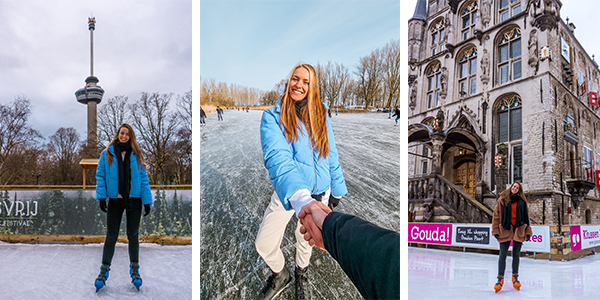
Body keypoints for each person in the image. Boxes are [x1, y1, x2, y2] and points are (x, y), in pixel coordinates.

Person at [255, 63, 347, 300]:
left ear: (312, 87)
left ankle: (300, 273)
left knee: (305, 243)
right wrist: (301, 198)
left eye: (306, 82)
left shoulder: (321, 114)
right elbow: (279, 159)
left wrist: (336, 188)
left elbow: (331, 153)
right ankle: (280, 273)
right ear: (289, 81)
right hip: (291, 193)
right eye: (296, 79)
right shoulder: (273, 116)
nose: (299, 85)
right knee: (264, 244)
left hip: (321, 193)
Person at [298, 201, 400, 300]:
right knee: (304, 235)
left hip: (319, 199)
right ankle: (299, 269)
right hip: (306, 204)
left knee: (307, 235)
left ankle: (301, 269)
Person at [94, 123, 153, 292]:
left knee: (133, 235)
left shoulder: (137, 154)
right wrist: (101, 197)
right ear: (118, 134)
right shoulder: (107, 153)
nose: (124, 136)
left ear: (131, 136)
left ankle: (135, 271)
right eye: (122, 133)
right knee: (111, 236)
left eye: (127, 134)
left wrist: (146, 200)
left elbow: (143, 178)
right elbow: (100, 176)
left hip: (134, 200)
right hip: (115, 200)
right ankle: (103, 271)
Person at [491, 181, 532, 293]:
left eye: (517, 188)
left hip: (518, 229)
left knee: (516, 255)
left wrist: (528, 231)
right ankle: (500, 279)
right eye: (514, 186)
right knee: (502, 255)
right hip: (505, 230)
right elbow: (496, 215)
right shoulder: (503, 199)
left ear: (519, 190)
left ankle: (515, 277)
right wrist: (495, 230)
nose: (515, 188)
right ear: (511, 187)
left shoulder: (522, 201)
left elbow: (526, 217)